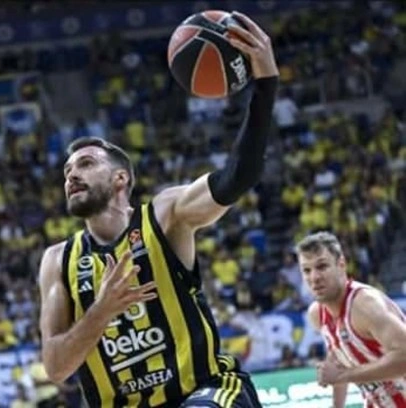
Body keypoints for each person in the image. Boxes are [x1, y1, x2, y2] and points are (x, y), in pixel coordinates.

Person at [38, 12, 277, 407]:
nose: (72, 175)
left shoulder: (165, 215)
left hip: (205, 392)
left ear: (120, 179)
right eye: (67, 171)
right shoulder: (57, 262)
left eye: (86, 164)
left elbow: (239, 176)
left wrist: (265, 83)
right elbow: (56, 367)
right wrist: (102, 310)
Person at [299, 232, 406, 408]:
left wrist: (344, 376)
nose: (314, 277)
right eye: (307, 270)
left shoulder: (365, 305)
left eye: (322, 266)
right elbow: (338, 359)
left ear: (341, 264)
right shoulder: (317, 314)